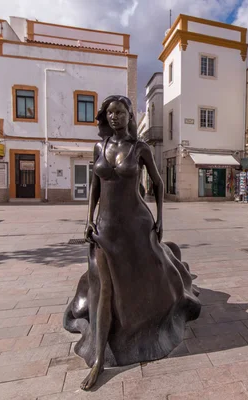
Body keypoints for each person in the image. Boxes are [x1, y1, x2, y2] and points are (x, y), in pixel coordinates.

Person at [63, 95, 201, 390]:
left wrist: (161, 218)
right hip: (105, 229)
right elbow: (95, 187)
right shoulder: (99, 146)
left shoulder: (140, 148)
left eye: (120, 112)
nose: (114, 117)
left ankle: (142, 332)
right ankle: (99, 357)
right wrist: (88, 218)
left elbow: (158, 183)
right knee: (103, 289)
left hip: (137, 226)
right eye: (110, 112)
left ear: (129, 116)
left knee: (135, 283)